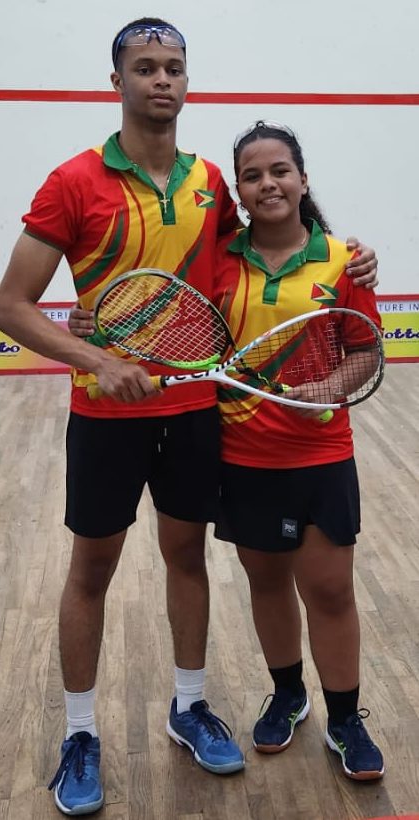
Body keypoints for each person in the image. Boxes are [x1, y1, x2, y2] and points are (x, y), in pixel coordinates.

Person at [0, 18, 379, 816]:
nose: (160, 80)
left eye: (173, 67)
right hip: (105, 414)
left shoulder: (210, 182)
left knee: (187, 558)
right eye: (144, 68)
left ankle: (190, 705)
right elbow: (10, 307)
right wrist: (98, 359)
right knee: (91, 570)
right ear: (118, 83)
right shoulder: (72, 181)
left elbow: (269, 242)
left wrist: (352, 249)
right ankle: (78, 734)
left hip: (198, 410)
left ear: (186, 82)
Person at [211, 120, 384, 781]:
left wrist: (325, 386)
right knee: (267, 582)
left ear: (302, 179)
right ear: (241, 191)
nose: (268, 183)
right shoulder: (220, 262)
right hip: (244, 456)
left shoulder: (344, 260)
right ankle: (288, 696)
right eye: (252, 175)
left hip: (320, 458)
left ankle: (344, 720)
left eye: (279, 170)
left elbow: (365, 351)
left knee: (331, 591)